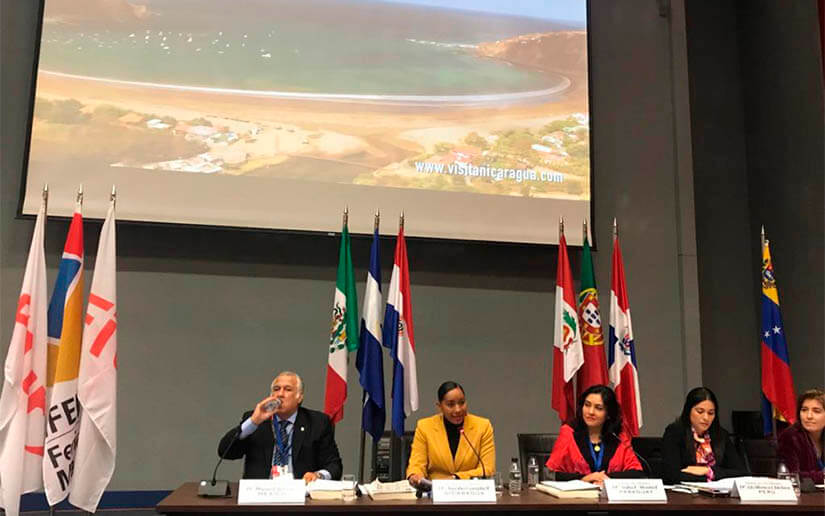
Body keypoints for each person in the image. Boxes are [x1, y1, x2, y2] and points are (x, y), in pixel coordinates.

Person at [217, 371, 343, 482]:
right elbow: (225, 452)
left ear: (299, 397)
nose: (280, 394)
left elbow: (334, 465)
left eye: (287, 389)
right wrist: (253, 421)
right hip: (260, 494)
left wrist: (318, 475)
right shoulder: (256, 420)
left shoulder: (317, 422)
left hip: (300, 495)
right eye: (276, 389)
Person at [545, 385, 644, 485]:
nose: (591, 412)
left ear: (608, 414)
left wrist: (606, 479)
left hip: (609, 493)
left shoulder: (619, 437)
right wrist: (585, 478)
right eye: (587, 405)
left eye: (598, 408)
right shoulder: (569, 433)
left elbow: (637, 473)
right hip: (578, 494)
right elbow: (551, 473)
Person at [406, 381, 495, 485]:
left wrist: (456, 478)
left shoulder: (483, 426)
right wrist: (414, 476)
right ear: (440, 407)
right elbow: (417, 465)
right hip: (435, 490)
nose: (458, 409)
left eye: (462, 403)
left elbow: (487, 469)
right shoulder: (425, 427)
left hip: (470, 490)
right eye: (450, 404)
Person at [662, 387, 748, 484]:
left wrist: (709, 471)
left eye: (711, 413)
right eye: (700, 411)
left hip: (716, 492)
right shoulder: (675, 433)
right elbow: (672, 475)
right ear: (688, 410)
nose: (706, 418)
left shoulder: (721, 434)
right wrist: (707, 478)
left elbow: (741, 472)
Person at [777, 388, 825, 483]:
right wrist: (822, 476)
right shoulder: (790, 436)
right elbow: (792, 476)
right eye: (804, 410)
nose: (809, 416)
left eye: (816, 411)